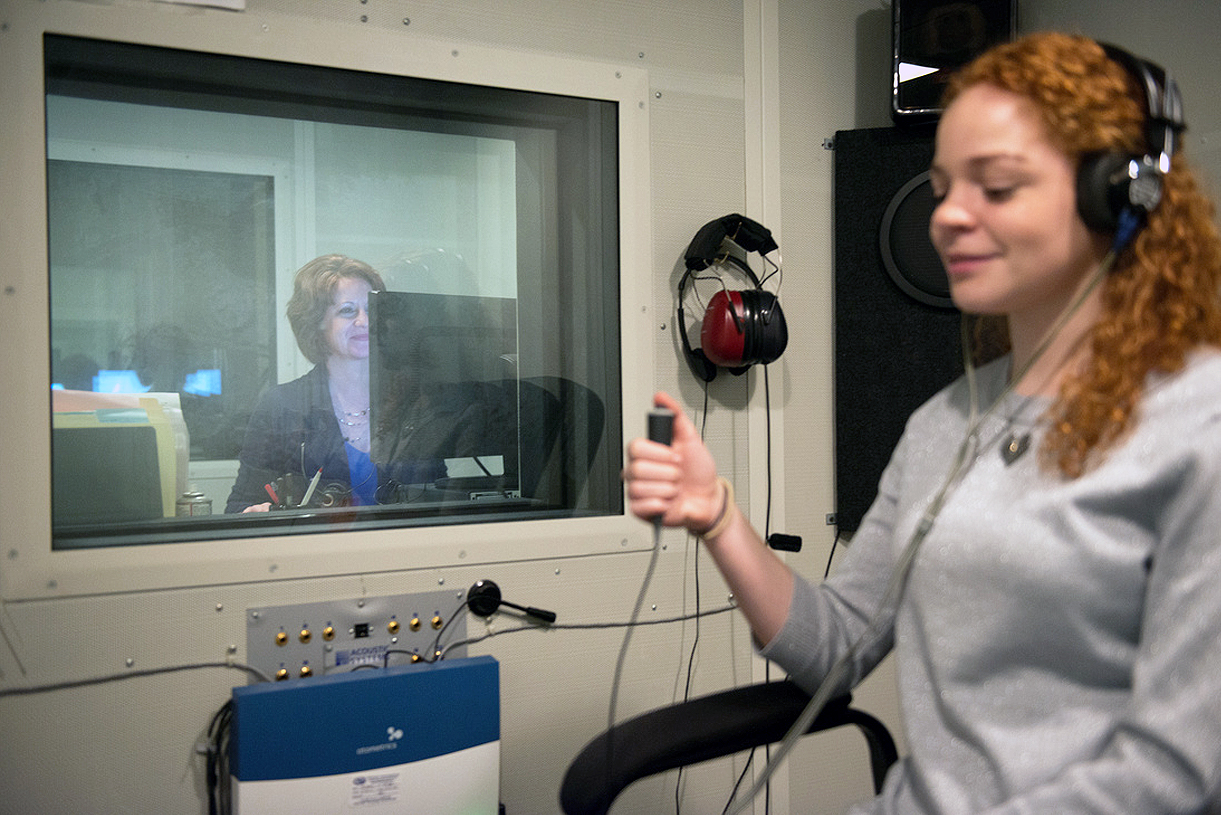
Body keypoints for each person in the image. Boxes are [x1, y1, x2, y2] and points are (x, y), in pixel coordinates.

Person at [625, 33, 1221, 813]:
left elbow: (1174, 773)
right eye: (942, 187)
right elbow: (834, 649)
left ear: (1120, 193)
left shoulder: (1196, 424)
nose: (946, 218)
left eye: (996, 186)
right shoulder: (947, 419)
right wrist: (719, 518)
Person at [226, 254, 390, 512]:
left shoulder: (408, 401)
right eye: (348, 311)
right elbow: (239, 507)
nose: (365, 322)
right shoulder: (282, 407)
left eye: (371, 309)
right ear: (317, 323)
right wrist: (256, 512)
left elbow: (437, 497)